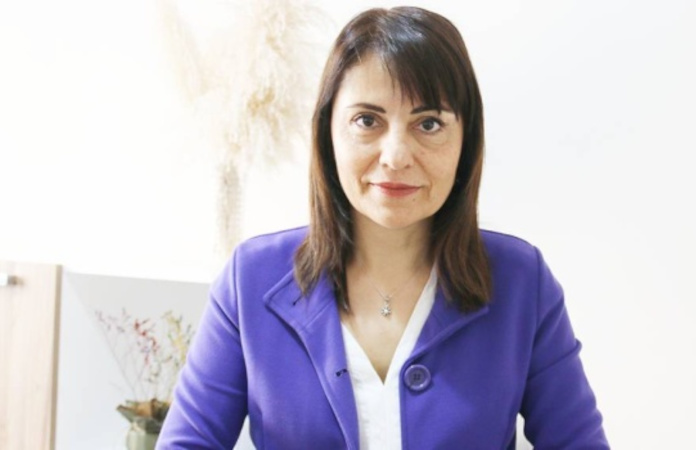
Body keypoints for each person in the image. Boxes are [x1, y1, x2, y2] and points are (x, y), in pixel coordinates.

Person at [158, 6, 608, 449]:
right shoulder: (250, 279)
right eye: (367, 121)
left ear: (465, 140)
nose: (395, 156)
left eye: (428, 123)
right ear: (327, 132)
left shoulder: (521, 281)